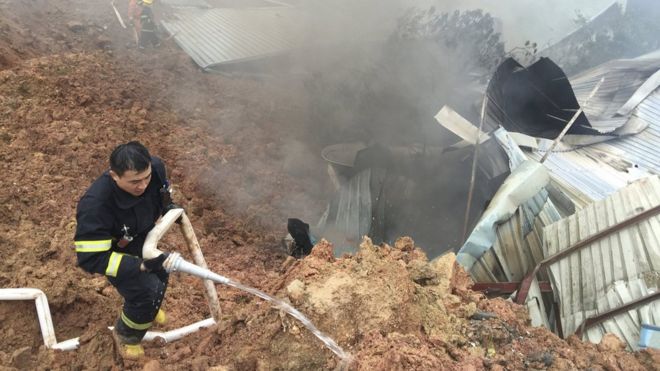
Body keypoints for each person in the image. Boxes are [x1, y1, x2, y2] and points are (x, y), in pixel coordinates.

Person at [74, 141, 178, 359]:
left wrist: (169, 207)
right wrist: (139, 265)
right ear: (114, 175)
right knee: (145, 291)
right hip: (114, 251)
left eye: (146, 178)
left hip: (141, 234)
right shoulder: (95, 205)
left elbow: (162, 192)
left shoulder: (156, 168)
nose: (142, 186)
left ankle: (149, 310)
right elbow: (90, 259)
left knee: (161, 274)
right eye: (134, 182)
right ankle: (127, 335)